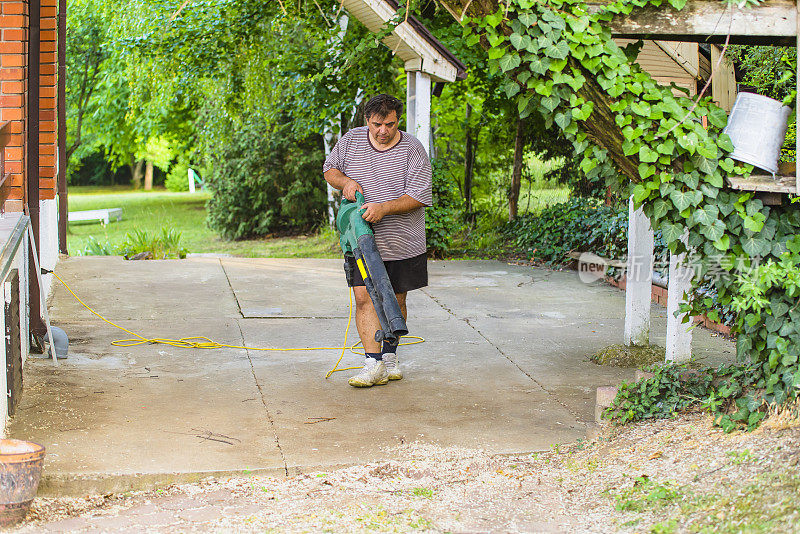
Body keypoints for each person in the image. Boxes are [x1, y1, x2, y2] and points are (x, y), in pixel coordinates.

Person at [323, 94, 432, 388]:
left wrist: (383, 208)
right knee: (364, 298)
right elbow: (329, 169)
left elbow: (419, 196)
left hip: (402, 241)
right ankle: (373, 363)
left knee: (395, 298)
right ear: (366, 121)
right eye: (376, 124)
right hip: (360, 239)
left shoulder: (413, 149)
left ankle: (390, 357)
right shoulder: (351, 140)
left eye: (390, 124)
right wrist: (345, 182)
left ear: (398, 120)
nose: (383, 130)